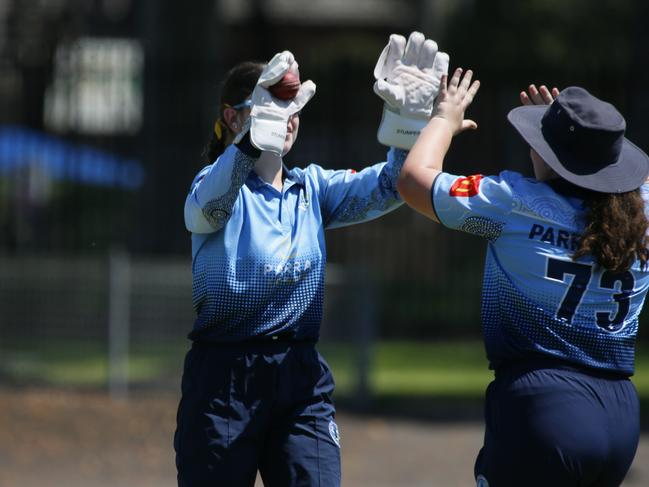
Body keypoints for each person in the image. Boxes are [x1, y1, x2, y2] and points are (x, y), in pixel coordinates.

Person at [174, 32, 449, 487]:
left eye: (291, 107)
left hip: (299, 375)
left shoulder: (313, 188)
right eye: (270, 104)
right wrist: (248, 145)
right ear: (232, 115)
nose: (286, 118)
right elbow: (204, 210)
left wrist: (409, 127)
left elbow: (392, 186)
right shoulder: (215, 183)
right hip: (223, 379)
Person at [396, 68, 649, 486]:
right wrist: (576, 139)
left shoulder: (512, 202)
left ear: (547, 155)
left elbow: (413, 180)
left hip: (543, 406)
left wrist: (445, 117)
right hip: (621, 416)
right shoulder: (641, 213)